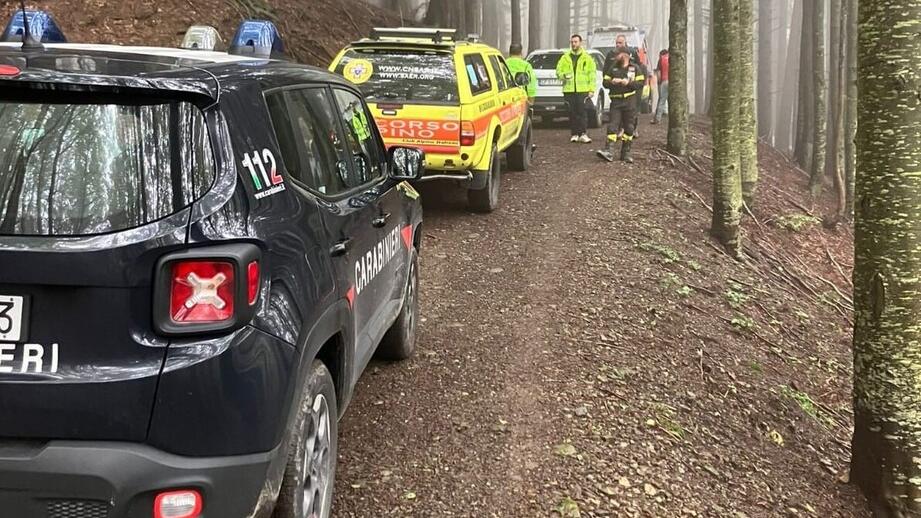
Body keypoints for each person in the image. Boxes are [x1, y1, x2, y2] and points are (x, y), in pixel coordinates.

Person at [597, 49, 644, 164]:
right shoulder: (613, 67)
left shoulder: (635, 68)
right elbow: (605, 82)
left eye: (618, 54)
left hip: (629, 101)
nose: (616, 57)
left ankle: (626, 153)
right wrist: (612, 82)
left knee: (629, 127)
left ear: (625, 55)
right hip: (616, 101)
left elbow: (640, 83)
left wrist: (628, 83)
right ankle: (609, 151)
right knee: (613, 125)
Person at [555, 34, 597, 143]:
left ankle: (583, 133)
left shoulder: (587, 58)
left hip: (582, 90)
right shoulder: (565, 58)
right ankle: (574, 134)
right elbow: (558, 72)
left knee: (582, 112)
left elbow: (592, 75)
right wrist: (564, 76)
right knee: (572, 113)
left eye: (575, 42)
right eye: (572, 42)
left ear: (580, 43)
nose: (573, 44)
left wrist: (591, 89)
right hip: (569, 90)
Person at [652, 49, 669, 124]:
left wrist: (659, 82)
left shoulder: (661, 60)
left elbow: (658, 73)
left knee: (662, 100)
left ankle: (657, 118)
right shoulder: (673, 59)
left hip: (664, 81)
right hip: (673, 82)